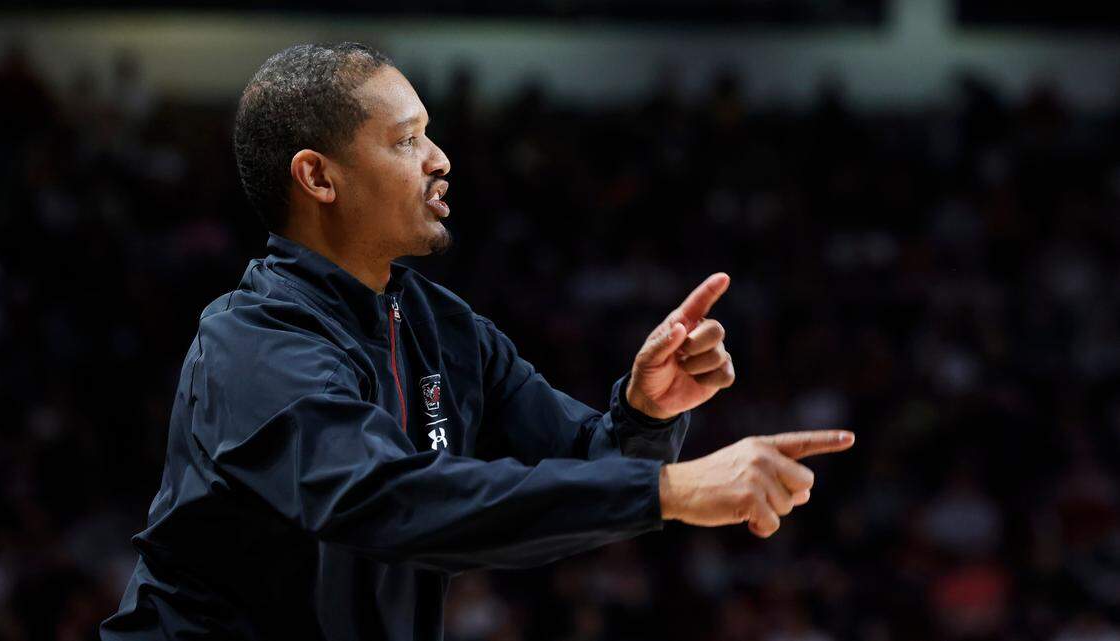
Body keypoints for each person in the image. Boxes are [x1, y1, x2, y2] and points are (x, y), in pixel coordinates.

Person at [100, 42, 855, 641]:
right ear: (318, 178)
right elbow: (389, 499)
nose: (440, 158)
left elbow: (585, 469)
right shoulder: (251, 342)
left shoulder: (438, 324)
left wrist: (646, 414)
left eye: (430, 134)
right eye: (407, 140)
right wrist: (673, 489)